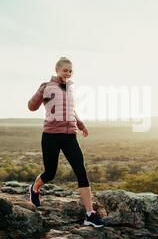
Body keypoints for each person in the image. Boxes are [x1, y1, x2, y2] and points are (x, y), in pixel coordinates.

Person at [27, 56, 104, 228]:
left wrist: (81, 124)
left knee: (81, 171)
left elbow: (71, 110)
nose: (68, 73)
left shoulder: (70, 88)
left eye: (70, 71)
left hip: (70, 136)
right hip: (51, 136)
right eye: (65, 70)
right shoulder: (47, 86)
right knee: (50, 173)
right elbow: (31, 107)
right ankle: (34, 188)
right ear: (57, 70)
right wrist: (41, 91)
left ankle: (89, 214)